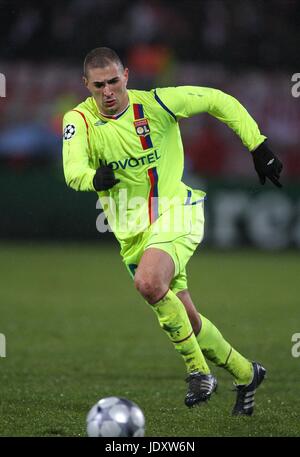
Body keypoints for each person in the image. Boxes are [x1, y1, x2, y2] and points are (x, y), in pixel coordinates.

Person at [62, 47, 282, 415]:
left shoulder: (159, 104)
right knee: (187, 319)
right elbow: (73, 170)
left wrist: (256, 145)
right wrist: (92, 178)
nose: (108, 92)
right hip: (131, 234)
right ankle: (247, 373)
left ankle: (198, 372)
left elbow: (217, 99)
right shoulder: (79, 121)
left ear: (127, 76)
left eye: (114, 81)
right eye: (99, 85)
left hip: (178, 213)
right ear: (86, 85)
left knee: (149, 284)